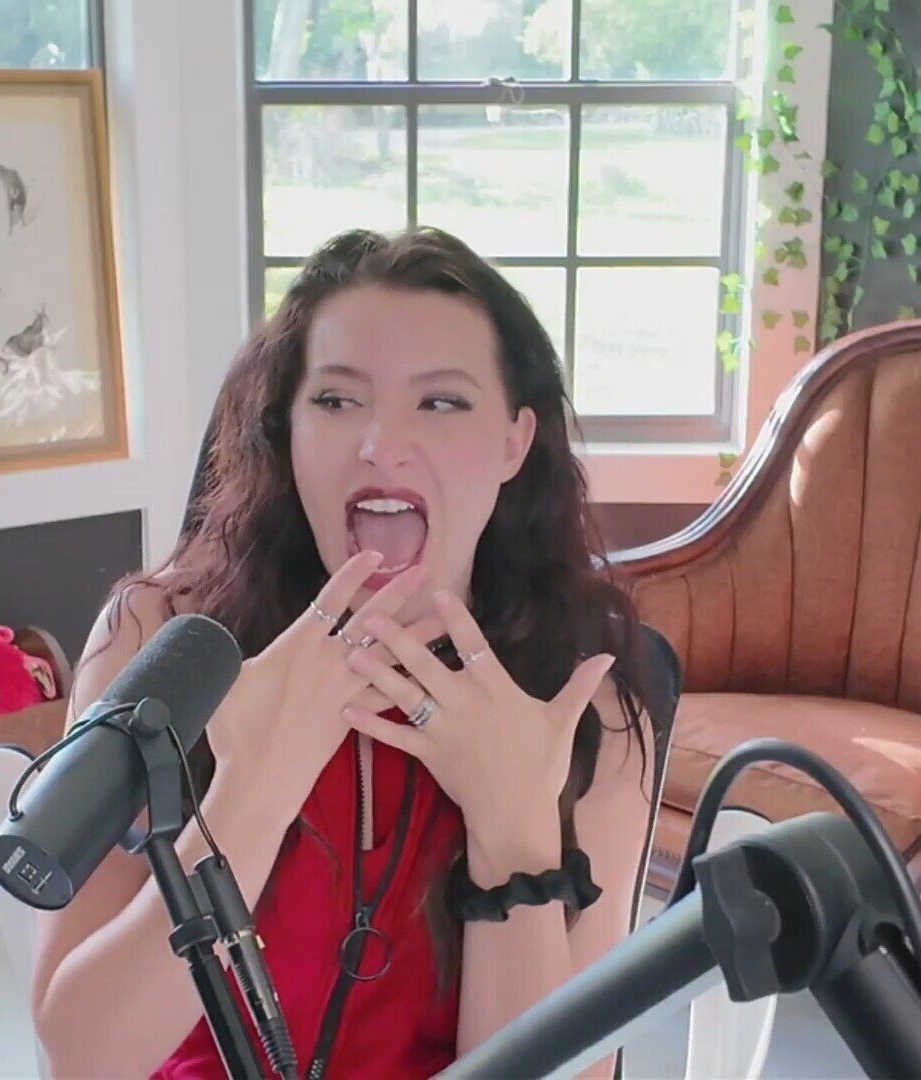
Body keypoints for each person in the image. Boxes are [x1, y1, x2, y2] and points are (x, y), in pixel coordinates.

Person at [32, 226, 665, 1078]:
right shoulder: (162, 640)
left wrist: (513, 827)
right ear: (287, 431)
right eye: (336, 401)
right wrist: (251, 794)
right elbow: (83, 1056)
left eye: (441, 403)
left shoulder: (587, 710)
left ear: (514, 442)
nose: (381, 443)